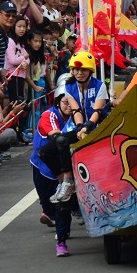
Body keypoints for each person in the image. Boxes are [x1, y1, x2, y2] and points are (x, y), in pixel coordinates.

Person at [32, 85, 85, 256]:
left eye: (72, 102)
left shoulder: (76, 117)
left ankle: (63, 236)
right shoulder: (50, 115)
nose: (69, 105)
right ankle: (70, 209)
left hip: (64, 167)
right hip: (43, 168)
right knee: (48, 207)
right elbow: (57, 137)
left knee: (62, 203)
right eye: (65, 102)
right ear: (57, 101)